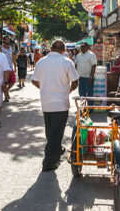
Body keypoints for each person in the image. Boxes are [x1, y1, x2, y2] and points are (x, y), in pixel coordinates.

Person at [30, 40, 79, 172]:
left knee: (51, 131)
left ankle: (57, 151)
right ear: (63, 50)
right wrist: (69, 91)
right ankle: (49, 162)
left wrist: (44, 88)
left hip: (46, 103)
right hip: (61, 103)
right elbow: (75, 82)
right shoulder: (67, 62)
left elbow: (34, 80)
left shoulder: (41, 62)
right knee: (56, 133)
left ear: (50, 48)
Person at [0, 38, 16, 102]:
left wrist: (15, 66)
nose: (7, 41)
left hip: (10, 67)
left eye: (8, 40)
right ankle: (5, 97)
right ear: (3, 40)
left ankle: (6, 91)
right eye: (6, 40)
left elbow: (13, 57)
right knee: (4, 82)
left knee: (13, 81)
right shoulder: (1, 48)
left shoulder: (11, 48)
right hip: (2, 68)